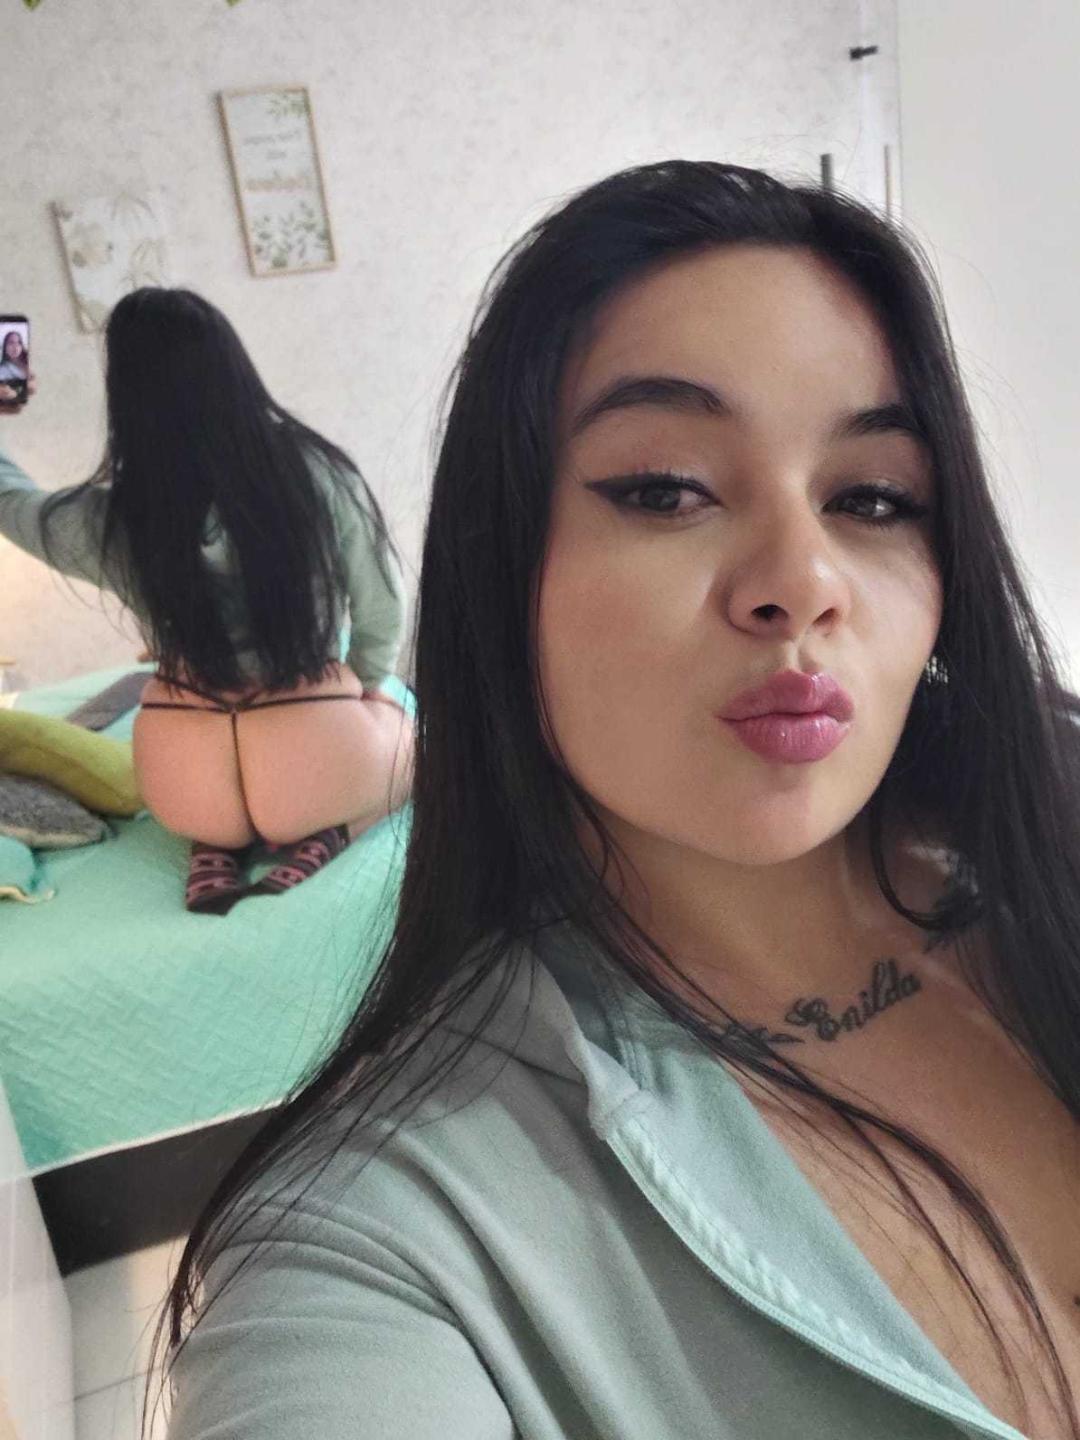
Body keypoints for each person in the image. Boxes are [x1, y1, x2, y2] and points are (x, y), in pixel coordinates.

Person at [156, 163, 1080, 1438]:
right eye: (665, 488)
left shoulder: (1052, 844)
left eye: (873, 497)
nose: (803, 580)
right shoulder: (380, 1241)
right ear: (502, 568)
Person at [0, 288, 413, 911]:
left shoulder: (114, 519)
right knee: (417, 740)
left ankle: (216, 846)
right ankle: (330, 832)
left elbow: (11, 503)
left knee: (213, 792)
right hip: (314, 743)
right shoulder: (317, 474)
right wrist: (362, 686)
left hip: (184, 774)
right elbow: (383, 606)